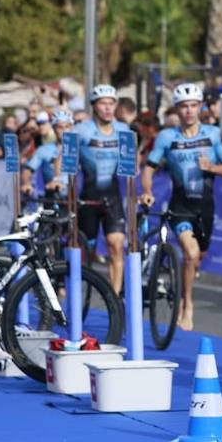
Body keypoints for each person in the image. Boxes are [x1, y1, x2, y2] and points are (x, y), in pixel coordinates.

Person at [139, 83, 222, 331]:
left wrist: (211, 168)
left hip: (205, 207)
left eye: (194, 106)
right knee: (190, 253)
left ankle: (185, 289)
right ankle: (187, 304)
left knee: (198, 257)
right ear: (177, 109)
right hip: (179, 206)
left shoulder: (213, 134)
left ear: (200, 107)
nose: (189, 111)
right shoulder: (167, 137)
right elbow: (149, 168)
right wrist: (148, 191)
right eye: (184, 107)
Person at [72, 85, 129, 292]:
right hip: (88, 199)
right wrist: (61, 179)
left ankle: (114, 298)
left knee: (116, 245)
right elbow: (65, 159)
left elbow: (132, 162)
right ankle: (77, 295)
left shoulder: (124, 130)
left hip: (112, 198)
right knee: (85, 252)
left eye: (111, 103)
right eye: (103, 103)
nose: (108, 108)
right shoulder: (81, 131)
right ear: (94, 106)